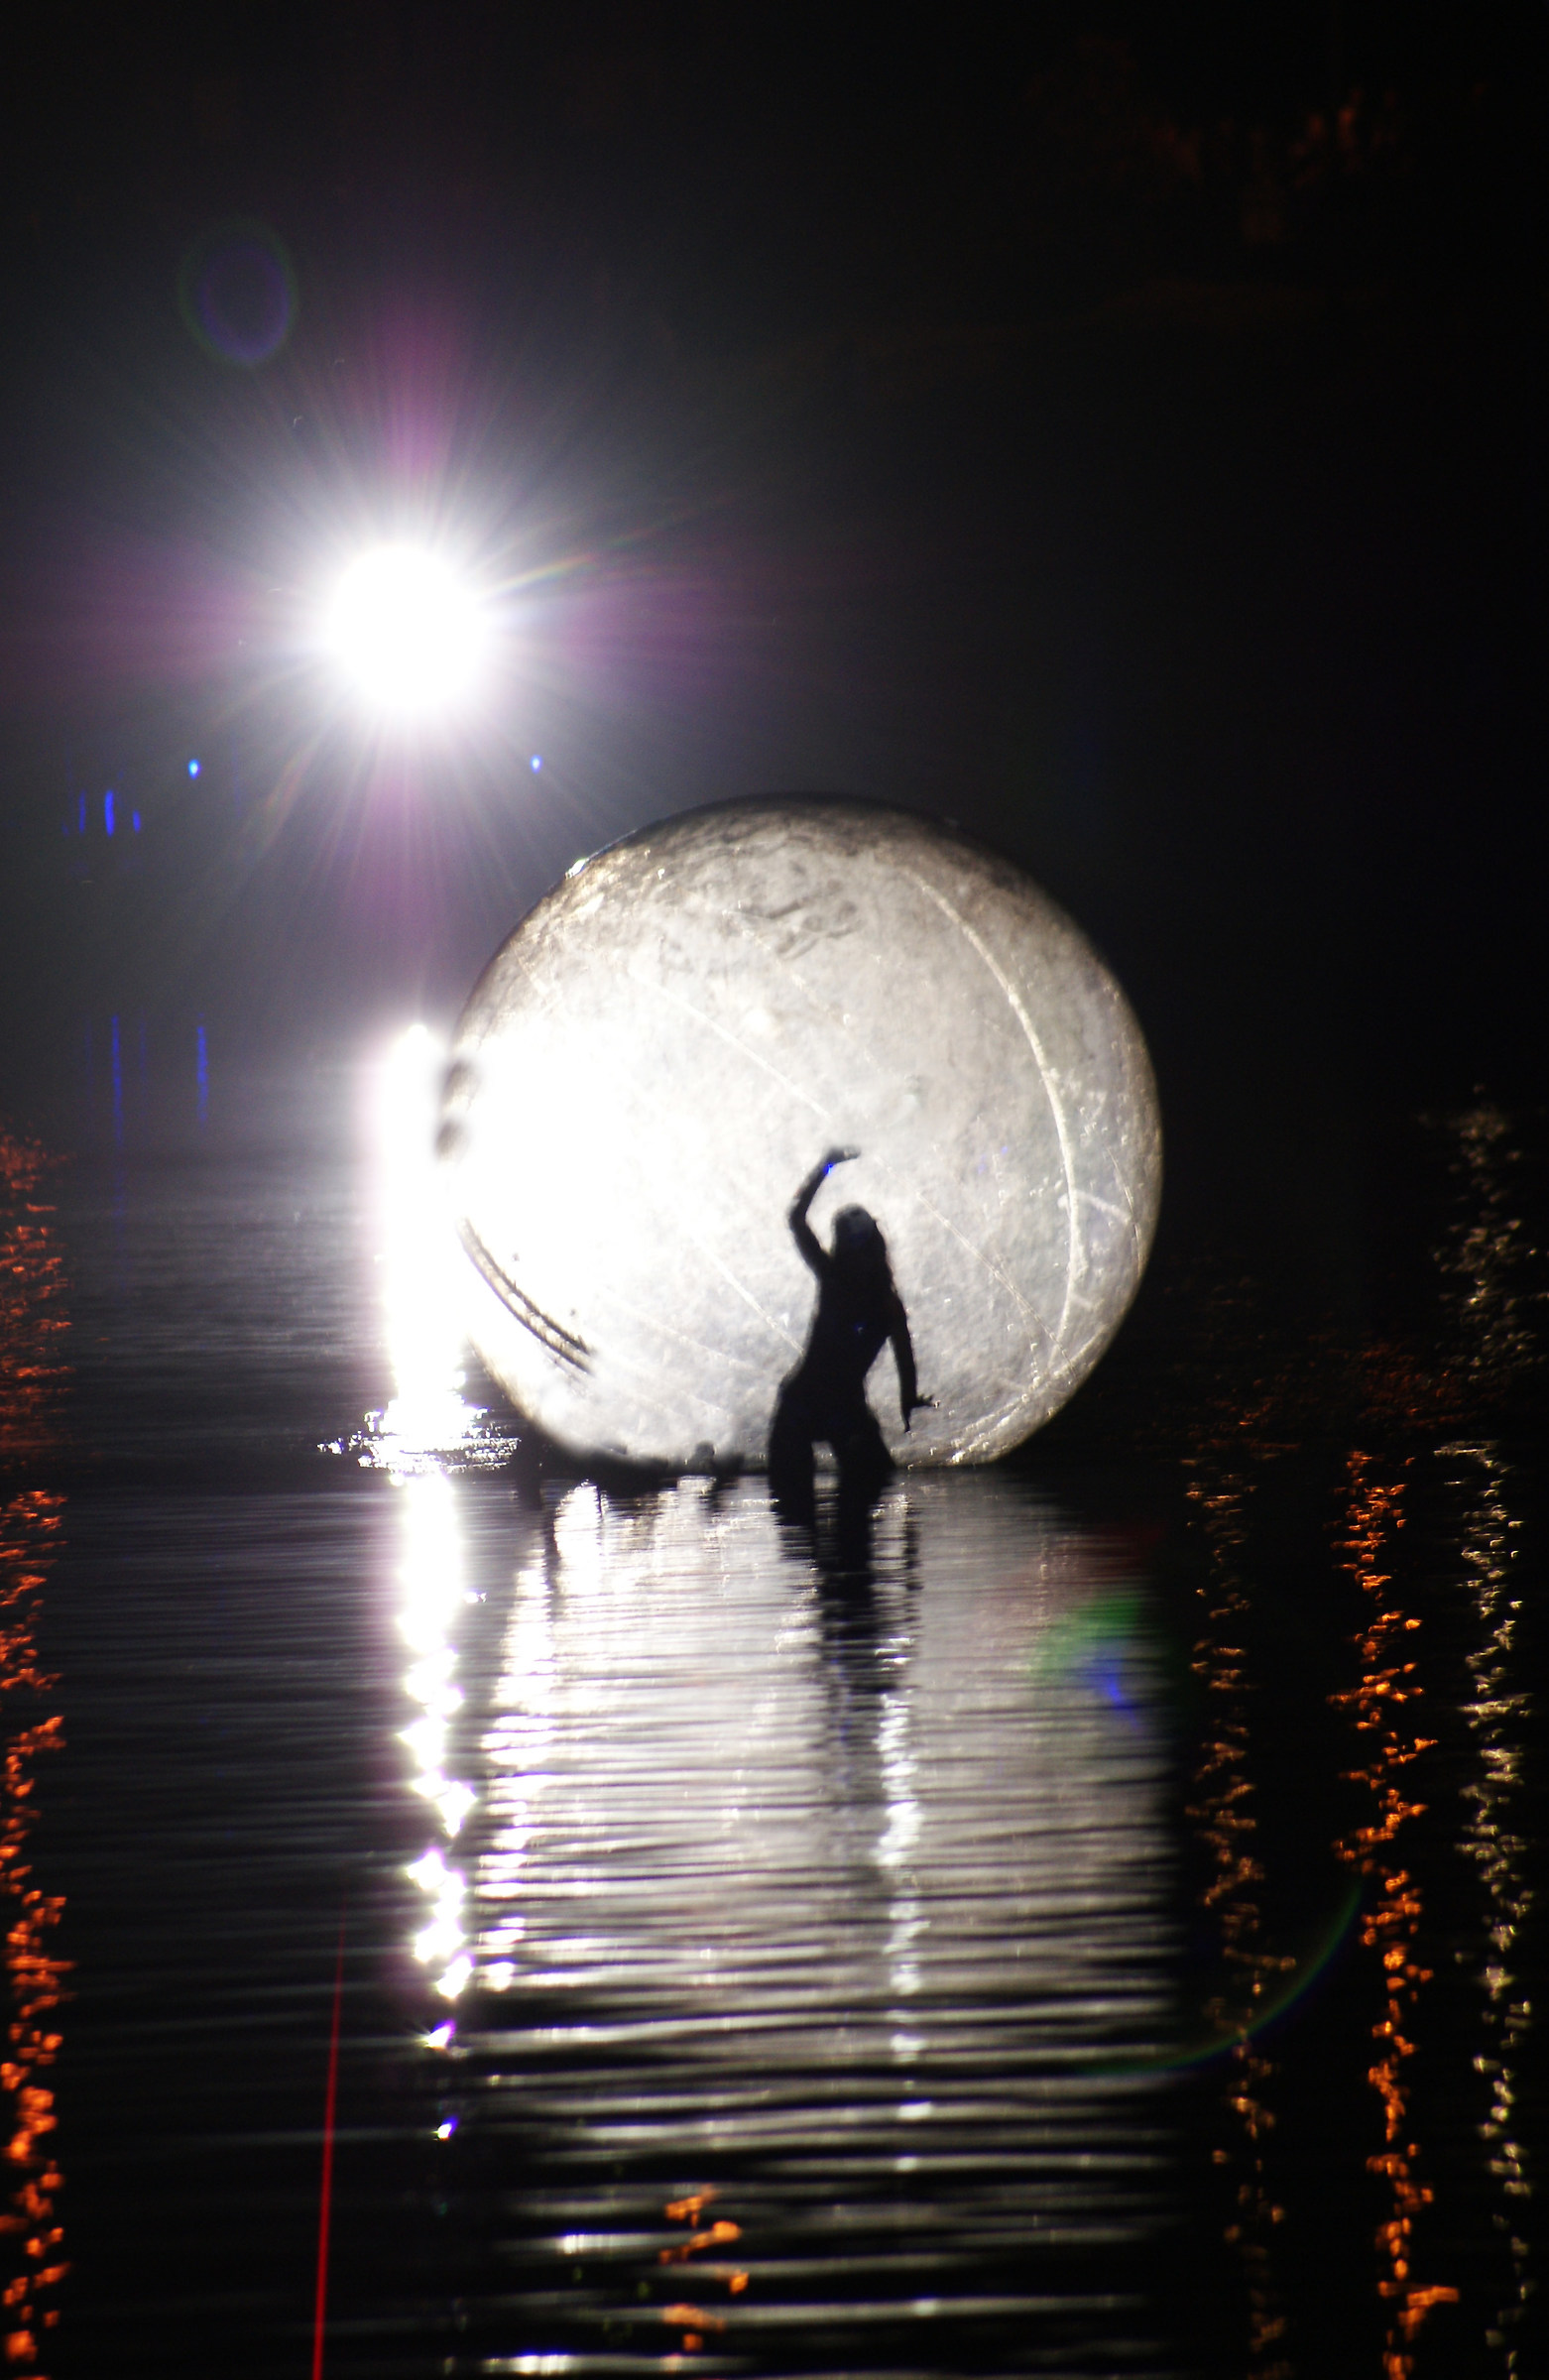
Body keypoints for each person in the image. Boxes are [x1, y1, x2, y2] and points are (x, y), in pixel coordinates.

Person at [768, 1146, 932, 1522]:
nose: (862, 1260)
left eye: (866, 1251)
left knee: (874, 1485)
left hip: (843, 1409)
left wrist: (908, 1398)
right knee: (794, 1515)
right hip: (801, 1407)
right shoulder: (833, 1279)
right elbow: (795, 1218)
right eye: (854, 1251)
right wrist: (823, 1167)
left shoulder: (886, 1304)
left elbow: (904, 1355)